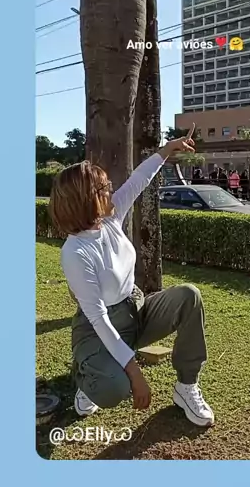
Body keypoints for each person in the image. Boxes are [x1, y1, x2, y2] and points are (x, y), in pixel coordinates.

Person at [49, 127, 214, 427]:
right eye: (103, 188)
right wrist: (135, 373)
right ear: (85, 199)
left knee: (188, 296)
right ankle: (87, 378)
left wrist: (167, 149)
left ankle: (186, 387)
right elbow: (98, 319)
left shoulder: (110, 218)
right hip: (98, 327)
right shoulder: (75, 252)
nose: (111, 189)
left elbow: (139, 179)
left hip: (134, 309)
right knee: (115, 389)